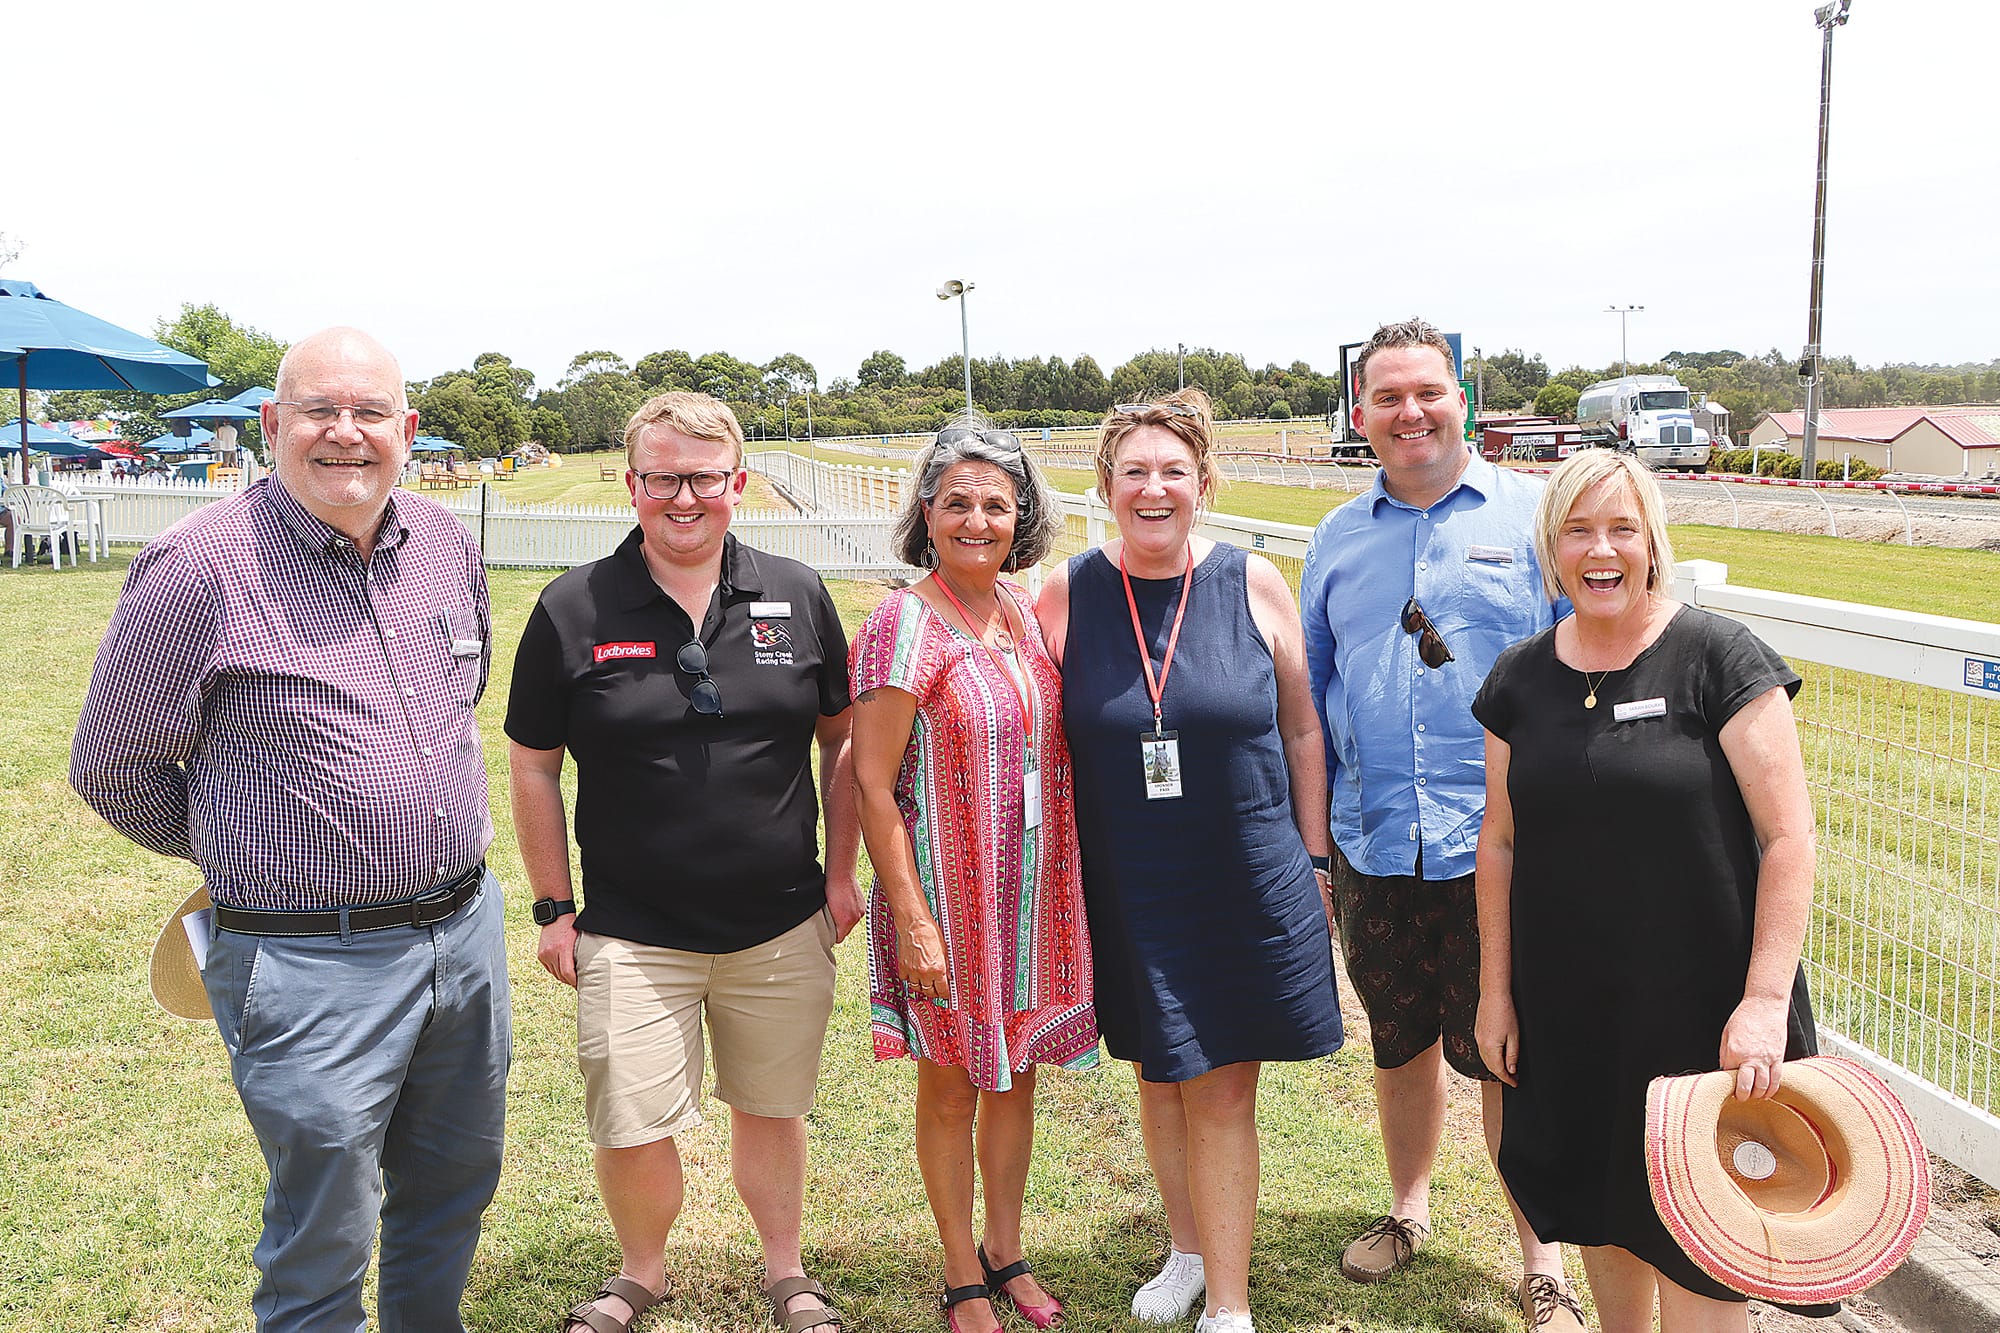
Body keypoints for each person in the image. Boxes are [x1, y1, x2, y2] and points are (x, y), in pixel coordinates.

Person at [70, 327, 510, 1333]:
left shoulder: (446, 544)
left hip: (464, 935)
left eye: (369, 414)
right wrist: (250, 841)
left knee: (452, 1188)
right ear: (274, 425)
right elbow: (111, 764)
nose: (344, 434)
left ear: (407, 430)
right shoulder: (198, 568)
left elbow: (459, 695)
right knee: (324, 1228)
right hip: (311, 961)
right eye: (319, 410)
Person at [506, 391, 858, 1333]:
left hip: (780, 919)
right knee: (632, 1120)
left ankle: (785, 1270)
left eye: (703, 477)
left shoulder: (798, 592)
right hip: (630, 927)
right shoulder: (572, 606)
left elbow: (843, 743)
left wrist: (838, 875)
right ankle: (641, 1271)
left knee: (772, 1107)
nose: (683, 497)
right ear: (633, 486)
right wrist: (553, 907)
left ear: (738, 482)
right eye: (662, 477)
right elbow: (535, 766)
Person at [1472, 449, 1826, 1332]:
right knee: (1603, 1213)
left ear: (1653, 541)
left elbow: (1790, 836)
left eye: (1622, 528)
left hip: (1703, 1013)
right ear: (1551, 548)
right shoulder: (1518, 680)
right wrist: (1494, 994)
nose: (1602, 549)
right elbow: (1500, 842)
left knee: (1703, 1247)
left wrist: (1763, 1000)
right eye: (1579, 529)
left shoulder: (1717, 657)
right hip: (1573, 1013)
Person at [1298, 318, 1583, 1330]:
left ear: (1461, 397)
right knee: (1398, 1038)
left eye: (1426, 392)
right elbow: (1314, 696)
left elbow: (1576, 667)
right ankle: (1408, 1208)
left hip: (1497, 847)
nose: (1408, 412)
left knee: (1507, 1048)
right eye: (1386, 397)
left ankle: (1540, 1254)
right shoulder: (1334, 539)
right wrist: (1317, 843)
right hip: (1374, 841)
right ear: (1360, 413)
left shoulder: (1536, 516)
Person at [1038, 390, 1343, 1333]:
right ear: (1106, 485)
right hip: (1127, 879)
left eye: (1174, 470)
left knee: (1219, 1084)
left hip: (1243, 872)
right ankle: (1186, 1248)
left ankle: (1230, 1302)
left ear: (1203, 484)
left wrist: (1317, 853)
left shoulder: (1253, 583)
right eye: (1135, 470)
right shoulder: (1066, 591)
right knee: (1158, 1071)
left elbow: (1301, 724)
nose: (1154, 487)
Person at [851, 417, 1097, 1333]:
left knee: (1013, 1073)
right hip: (947, 901)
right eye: (958, 501)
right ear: (927, 513)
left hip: (1029, 898)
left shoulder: (1024, 615)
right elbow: (872, 783)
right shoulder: (901, 622)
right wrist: (912, 918)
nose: (978, 519)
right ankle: (960, 1267)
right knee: (952, 1081)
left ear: (1020, 517)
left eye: (997, 503)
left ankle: (1006, 1243)